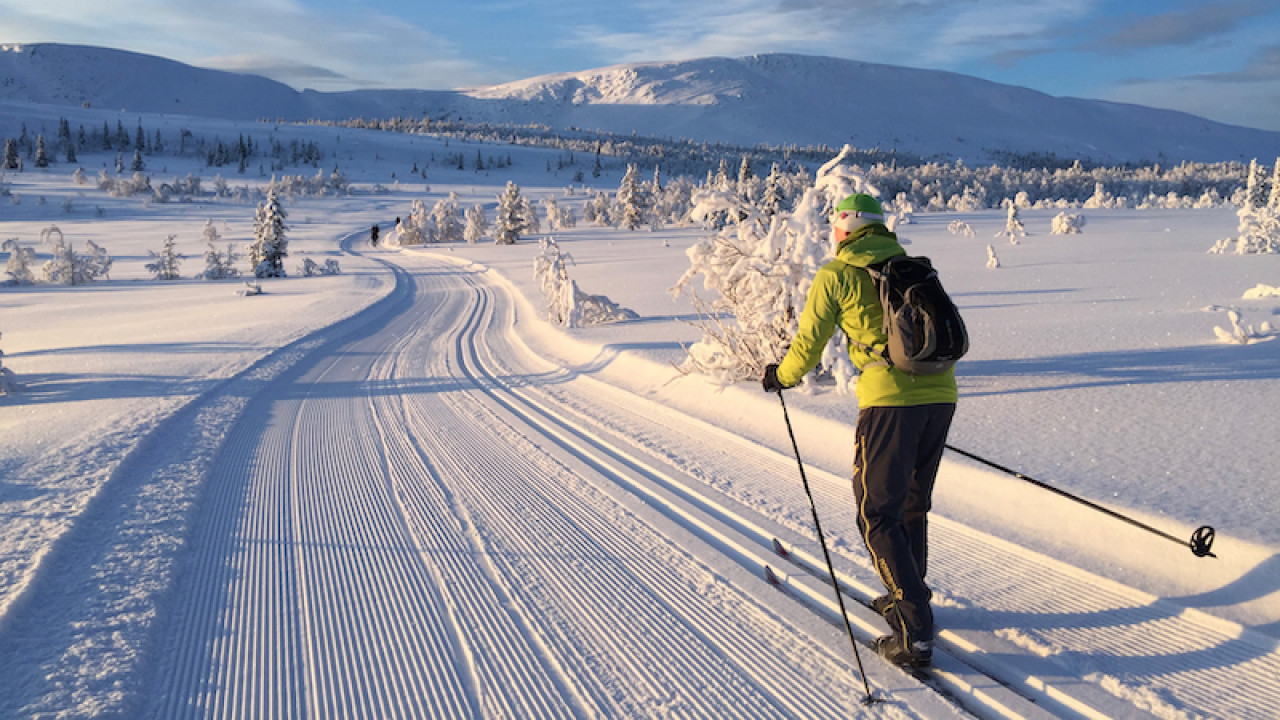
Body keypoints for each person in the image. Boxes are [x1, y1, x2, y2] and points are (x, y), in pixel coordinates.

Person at [762, 193, 957, 668]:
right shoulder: (911, 267)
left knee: (876, 515)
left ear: (846, 229)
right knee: (912, 503)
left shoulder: (838, 274)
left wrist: (779, 377)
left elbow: (809, 343)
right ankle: (910, 595)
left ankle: (915, 630)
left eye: (835, 227)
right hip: (941, 394)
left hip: (889, 403)